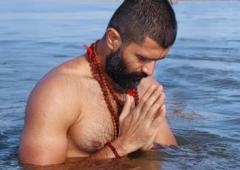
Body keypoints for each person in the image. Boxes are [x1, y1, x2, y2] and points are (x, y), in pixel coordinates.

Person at [19, 0, 178, 166]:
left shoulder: (146, 86)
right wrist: (123, 145)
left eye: (157, 60)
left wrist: (146, 145)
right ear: (113, 39)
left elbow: (173, 157)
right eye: (142, 58)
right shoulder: (56, 94)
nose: (150, 71)